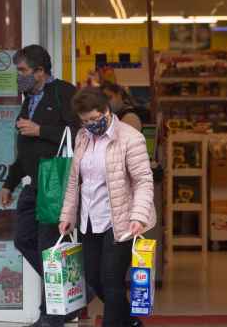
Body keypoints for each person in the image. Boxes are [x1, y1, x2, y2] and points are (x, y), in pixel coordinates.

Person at [58, 88, 156, 327]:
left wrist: (139, 216)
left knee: (111, 280)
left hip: (120, 220)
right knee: (93, 277)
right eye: (85, 121)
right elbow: (74, 182)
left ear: (106, 111)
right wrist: (67, 215)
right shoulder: (82, 137)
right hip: (89, 220)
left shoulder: (130, 138)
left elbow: (143, 179)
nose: (91, 124)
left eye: (94, 119)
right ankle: (129, 321)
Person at [0, 45, 81, 327]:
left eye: (22, 71)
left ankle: (52, 316)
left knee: (49, 249)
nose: (18, 76)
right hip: (32, 183)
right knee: (23, 239)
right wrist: (10, 182)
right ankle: (74, 285)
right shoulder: (28, 98)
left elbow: (81, 133)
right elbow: (25, 146)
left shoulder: (64, 93)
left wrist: (41, 130)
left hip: (55, 179)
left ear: (40, 72)